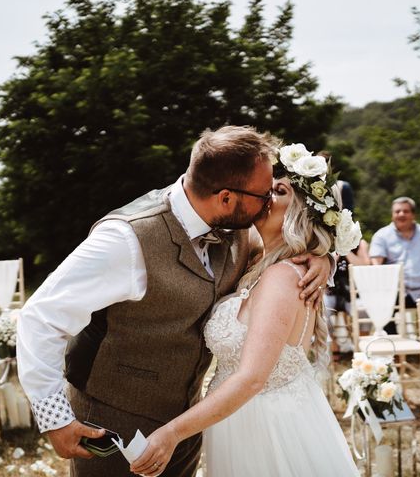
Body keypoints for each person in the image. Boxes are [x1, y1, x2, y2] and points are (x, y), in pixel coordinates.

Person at [16, 126, 332, 477]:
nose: (268, 202)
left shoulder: (238, 225)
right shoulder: (126, 240)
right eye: (263, 195)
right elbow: (40, 317)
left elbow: (283, 256)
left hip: (190, 424)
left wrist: (323, 258)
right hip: (113, 426)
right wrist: (54, 419)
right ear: (226, 197)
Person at [130, 143, 360, 476]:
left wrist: (173, 433)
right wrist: (327, 256)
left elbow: (251, 378)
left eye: (278, 191)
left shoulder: (283, 277)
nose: (265, 195)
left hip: (266, 429)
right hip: (245, 421)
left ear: (299, 214)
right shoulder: (261, 261)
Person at [370, 196, 420, 332]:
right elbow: (376, 265)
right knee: (382, 304)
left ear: (413, 214)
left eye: (405, 211)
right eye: (397, 211)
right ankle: (392, 347)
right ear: (392, 215)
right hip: (395, 290)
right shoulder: (381, 235)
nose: (401, 214)